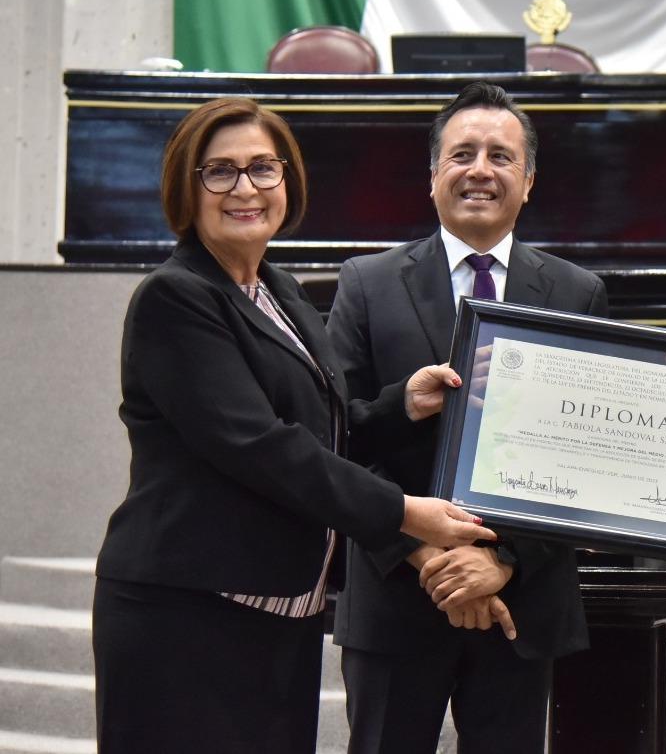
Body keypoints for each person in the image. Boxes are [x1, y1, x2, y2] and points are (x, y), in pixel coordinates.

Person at [92, 98, 492, 754]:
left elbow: (321, 431)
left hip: (279, 613)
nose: (245, 189)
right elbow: (260, 447)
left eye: (262, 168)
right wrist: (403, 512)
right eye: (218, 172)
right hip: (187, 616)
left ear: (289, 180)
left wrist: (404, 404)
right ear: (184, 189)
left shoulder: (280, 290)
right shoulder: (174, 297)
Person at [327, 81, 608, 754]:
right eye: (462, 154)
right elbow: (333, 440)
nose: (480, 169)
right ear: (432, 176)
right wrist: (427, 555)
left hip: (521, 601)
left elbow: (592, 459)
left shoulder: (576, 294)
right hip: (396, 593)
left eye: (499, 156)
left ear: (528, 180)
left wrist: (501, 561)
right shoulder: (366, 284)